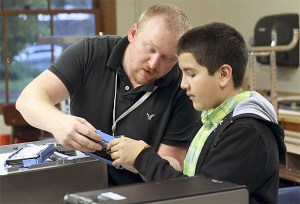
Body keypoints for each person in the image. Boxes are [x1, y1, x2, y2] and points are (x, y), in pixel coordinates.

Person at [15, 3, 199, 186]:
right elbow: (27, 100)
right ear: (133, 33)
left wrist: (140, 159)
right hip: (77, 182)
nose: (153, 63)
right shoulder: (90, 52)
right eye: (150, 49)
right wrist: (57, 122)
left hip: (139, 192)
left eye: (168, 58)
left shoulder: (183, 87)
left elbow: (170, 169)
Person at [108, 22, 286, 203]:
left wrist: (143, 158)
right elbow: (195, 180)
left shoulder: (247, 133)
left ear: (223, 74)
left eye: (191, 74)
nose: (184, 84)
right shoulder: (210, 121)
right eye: (182, 74)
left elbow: (200, 196)